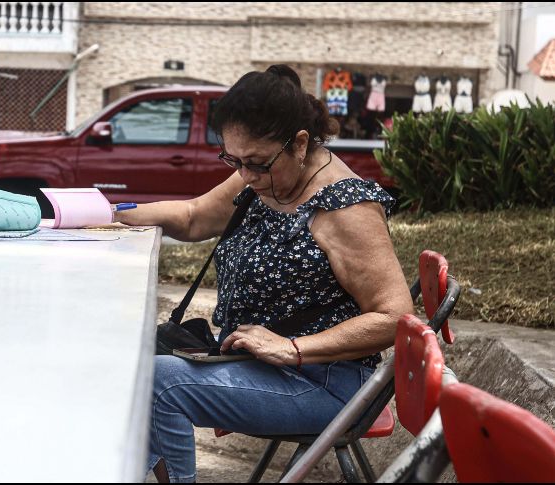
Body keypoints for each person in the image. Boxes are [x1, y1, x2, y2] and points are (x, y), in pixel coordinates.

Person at [114, 64, 413, 483]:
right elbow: (194, 216)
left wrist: (293, 348)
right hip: (267, 367)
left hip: (330, 383)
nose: (245, 175)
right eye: (233, 160)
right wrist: (107, 216)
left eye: (255, 162)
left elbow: (395, 317)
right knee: (126, 359)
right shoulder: (266, 178)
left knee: (160, 382)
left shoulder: (343, 208)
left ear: (300, 144)